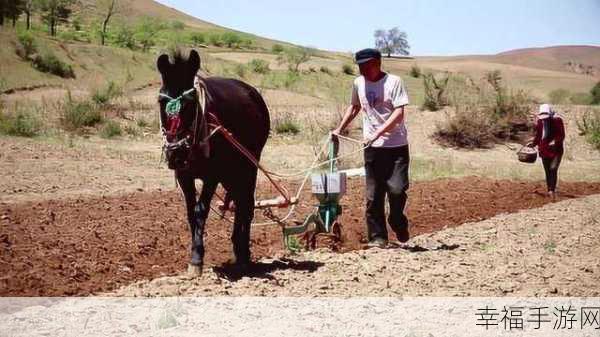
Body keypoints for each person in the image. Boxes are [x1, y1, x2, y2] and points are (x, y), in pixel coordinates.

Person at [332, 48, 410, 248]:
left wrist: (378, 132)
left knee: (397, 190)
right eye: (360, 66)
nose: (363, 70)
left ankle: (397, 220)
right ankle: (377, 238)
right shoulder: (358, 83)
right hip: (372, 149)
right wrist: (340, 128)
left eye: (366, 65)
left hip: (396, 147)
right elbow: (355, 106)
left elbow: (399, 113)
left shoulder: (394, 82)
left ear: (377, 63)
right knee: (373, 196)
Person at [528, 103, 565, 200]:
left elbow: (561, 135)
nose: (544, 119)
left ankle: (552, 190)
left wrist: (555, 142)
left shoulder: (557, 121)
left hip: (556, 150)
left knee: (553, 168)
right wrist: (533, 144)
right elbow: (539, 135)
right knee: (547, 171)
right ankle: (550, 190)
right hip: (544, 149)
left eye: (546, 117)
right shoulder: (540, 122)